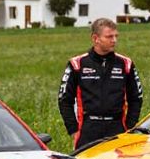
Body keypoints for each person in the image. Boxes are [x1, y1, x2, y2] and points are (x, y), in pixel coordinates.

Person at [58, 18, 144, 150]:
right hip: (88, 130)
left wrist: (130, 126)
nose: (114, 40)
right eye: (109, 36)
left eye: (116, 36)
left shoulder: (126, 64)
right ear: (95, 38)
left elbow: (136, 98)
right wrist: (73, 129)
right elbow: (64, 99)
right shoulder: (77, 64)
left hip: (117, 129)